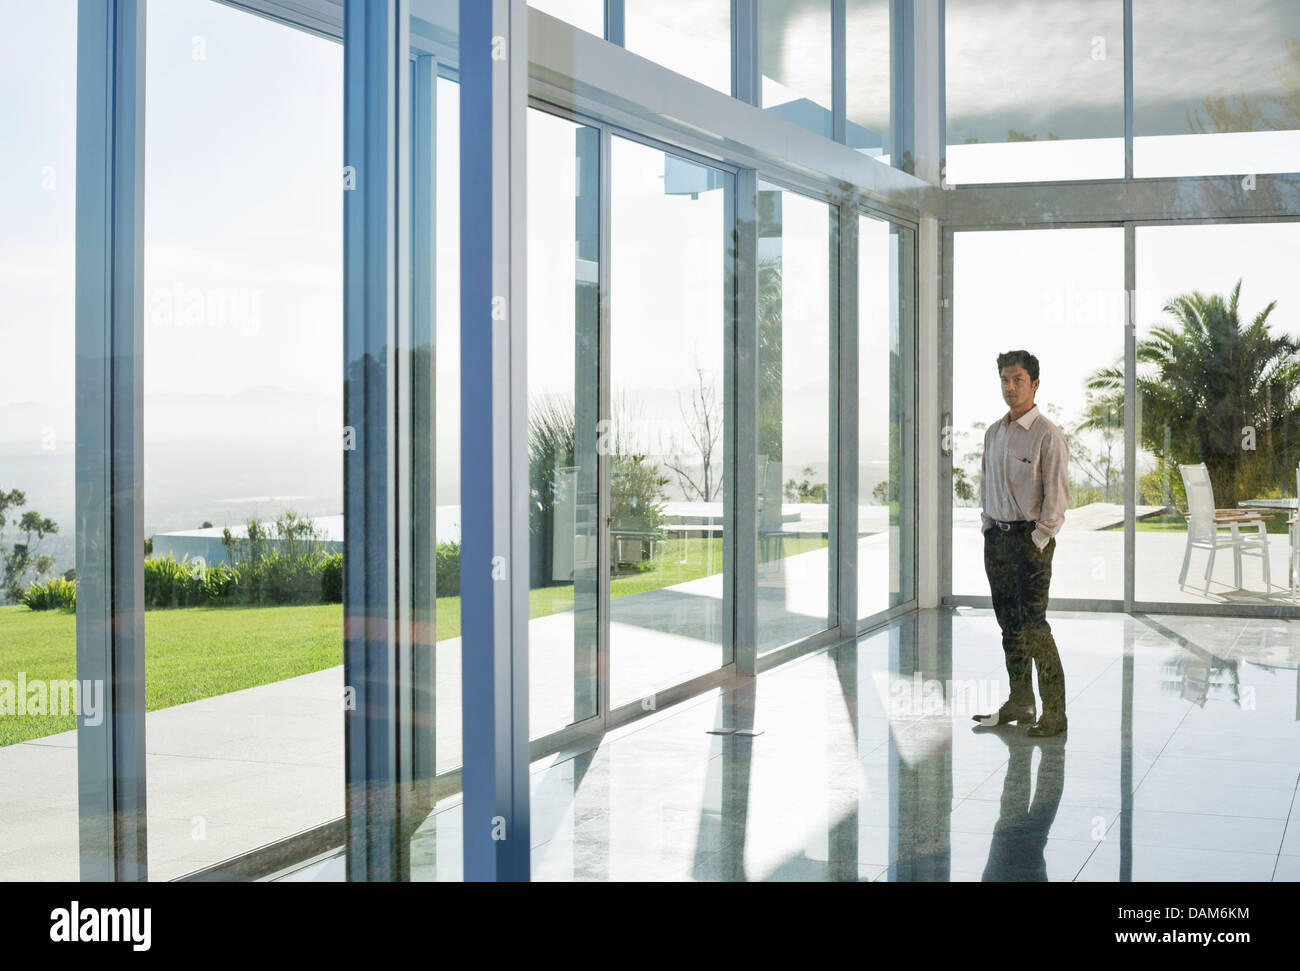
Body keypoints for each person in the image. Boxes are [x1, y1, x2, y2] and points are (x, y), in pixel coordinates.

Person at [972, 350, 1069, 738]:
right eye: (1005, 380)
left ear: (1035, 384)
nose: (1010, 387)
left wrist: (1040, 538)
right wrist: (987, 526)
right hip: (996, 539)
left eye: (1018, 380)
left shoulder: (1048, 434)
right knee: (1008, 625)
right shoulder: (994, 432)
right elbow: (986, 483)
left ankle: (1055, 712)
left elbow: (1057, 497)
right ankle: (1020, 702)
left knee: (1034, 627)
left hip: (1031, 544)